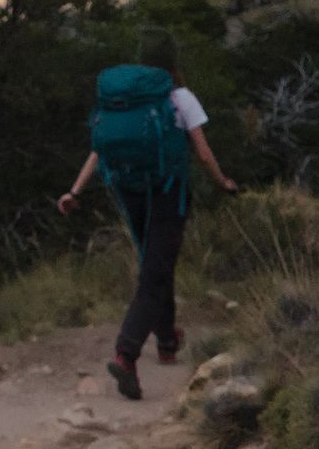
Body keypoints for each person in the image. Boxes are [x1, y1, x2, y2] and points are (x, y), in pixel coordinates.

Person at [57, 29, 239, 400]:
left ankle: (168, 341)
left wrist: (74, 190)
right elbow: (203, 153)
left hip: (129, 191)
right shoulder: (180, 97)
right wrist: (224, 182)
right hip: (168, 191)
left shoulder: (123, 100)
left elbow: (99, 148)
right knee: (155, 272)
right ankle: (126, 354)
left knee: (155, 263)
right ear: (173, 61)